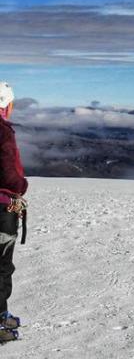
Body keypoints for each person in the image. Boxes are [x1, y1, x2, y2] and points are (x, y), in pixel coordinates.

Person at [0, 82, 28, 343]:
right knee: (1, 266)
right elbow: (10, 173)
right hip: (1, 207)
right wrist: (21, 187)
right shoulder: (3, 132)